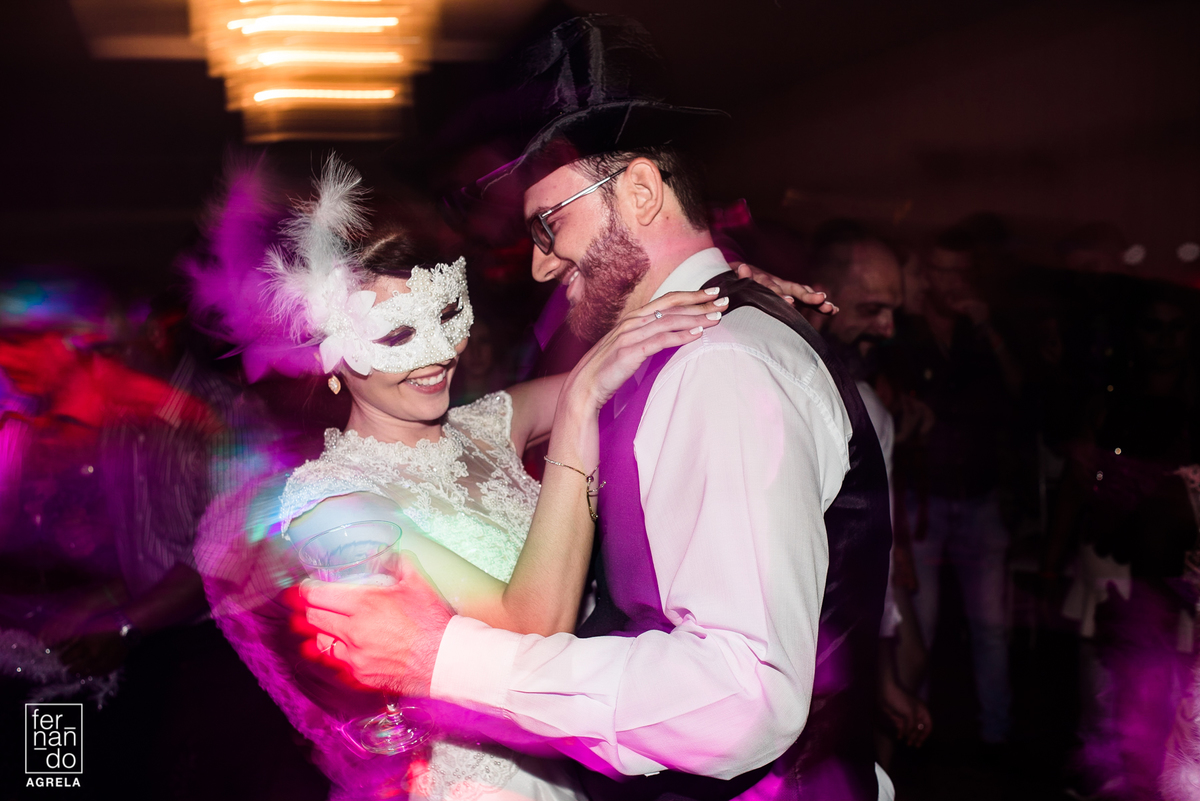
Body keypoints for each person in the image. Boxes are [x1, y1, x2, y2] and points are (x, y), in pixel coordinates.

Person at [302, 15, 893, 801]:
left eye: (550, 224)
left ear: (642, 191)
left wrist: (444, 656)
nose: (541, 265)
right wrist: (723, 280)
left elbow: (743, 693)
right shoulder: (688, 346)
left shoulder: (719, 365)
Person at [188, 155, 741, 801]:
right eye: (396, 333)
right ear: (325, 358)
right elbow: (533, 627)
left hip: (586, 755)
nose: (437, 352)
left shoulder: (487, 425)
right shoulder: (332, 505)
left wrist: (726, 291)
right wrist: (580, 410)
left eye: (446, 313)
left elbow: (643, 356)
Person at [800, 221, 932, 759]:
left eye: (894, 310)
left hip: (837, 642)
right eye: (872, 309)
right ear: (820, 296)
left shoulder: (869, 407)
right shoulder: (767, 381)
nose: (887, 327)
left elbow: (866, 553)